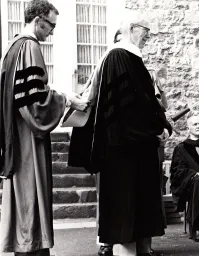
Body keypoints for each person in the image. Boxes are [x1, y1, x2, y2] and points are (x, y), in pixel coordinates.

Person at [68, 14, 172, 256]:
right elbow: (128, 108)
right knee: (126, 213)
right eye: (146, 31)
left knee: (140, 210)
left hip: (136, 147)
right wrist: (154, 129)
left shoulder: (131, 58)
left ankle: (142, 249)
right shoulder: (118, 56)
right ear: (133, 29)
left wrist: (161, 124)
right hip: (125, 150)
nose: (148, 37)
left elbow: (146, 101)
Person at [0, 1, 89, 255]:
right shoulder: (30, 47)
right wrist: (66, 99)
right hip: (28, 137)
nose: (52, 31)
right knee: (31, 197)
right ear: (38, 20)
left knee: (22, 202)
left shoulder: (11, 47)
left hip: (14, 135)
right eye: (51, 25)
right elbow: (35, 102)